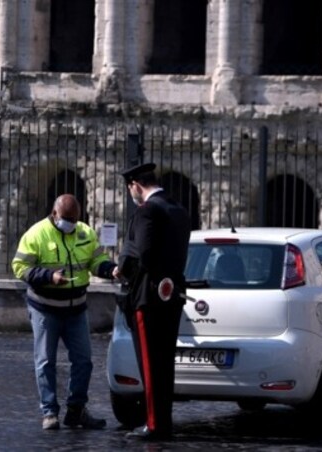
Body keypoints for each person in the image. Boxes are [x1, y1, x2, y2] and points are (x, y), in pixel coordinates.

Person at [12, 194, 117, 431]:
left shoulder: (85, 233)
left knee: (84, 361)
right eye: (66, 218)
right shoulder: (36, 234)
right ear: (54, 213)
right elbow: (19, 267)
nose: (70, 223)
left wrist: (111, 270)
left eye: (74, 218)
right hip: (45, 308)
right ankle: (49, 412)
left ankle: (76, 410)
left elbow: (96, 260)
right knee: (45, 361)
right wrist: (49, 277)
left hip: (76, 309)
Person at [112, 162, 191, 441]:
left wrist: (122, 270)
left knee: (149, 363)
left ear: (135, 184)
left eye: (130, 188)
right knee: (164, 363)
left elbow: (144, 255)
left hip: (147, 295)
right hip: (171, 294)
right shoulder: (178, 210)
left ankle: (155, 424)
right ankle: (163, 421)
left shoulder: (147, 211)